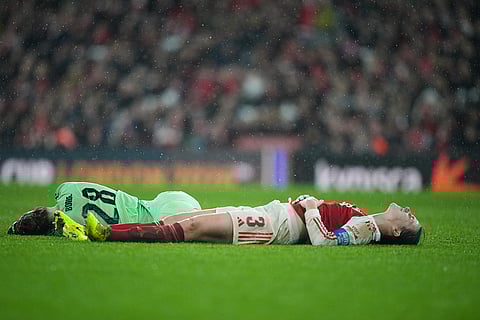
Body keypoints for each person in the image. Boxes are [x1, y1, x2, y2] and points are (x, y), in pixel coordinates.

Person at [84, 195, 423, 246]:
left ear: (395, 231)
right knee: (178, 218)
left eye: (411, 223)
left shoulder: (369, 227)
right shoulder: (365, 216)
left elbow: (325, 241)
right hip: (273, 213)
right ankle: (108, 230)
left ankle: (107, 234)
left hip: (278, 225)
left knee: (191, 228)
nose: (411, 214)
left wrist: (312, 207)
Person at [7, 182, 201, 239]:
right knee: (208, 221)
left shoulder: (68, 223)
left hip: (158, 216)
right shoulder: (65, 188)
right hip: (169, 199)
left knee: (197, 231)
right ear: (38, 209)